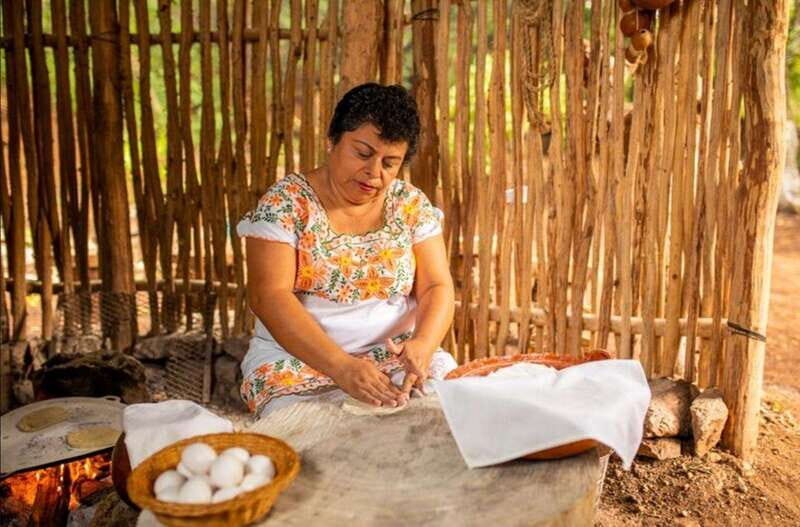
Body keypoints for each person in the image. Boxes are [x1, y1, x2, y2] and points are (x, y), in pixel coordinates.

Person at [237, 83, 457, 417]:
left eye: (390, 163)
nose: (374, 173)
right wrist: (342, 367)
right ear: (333, 140)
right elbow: (268, 296)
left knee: (447, 418)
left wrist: (424, 344)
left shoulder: (409, 204)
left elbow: (436, 285)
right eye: (363, 154)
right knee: (313, 435)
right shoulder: (286, 204)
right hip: (298, 363)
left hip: (394, 358)